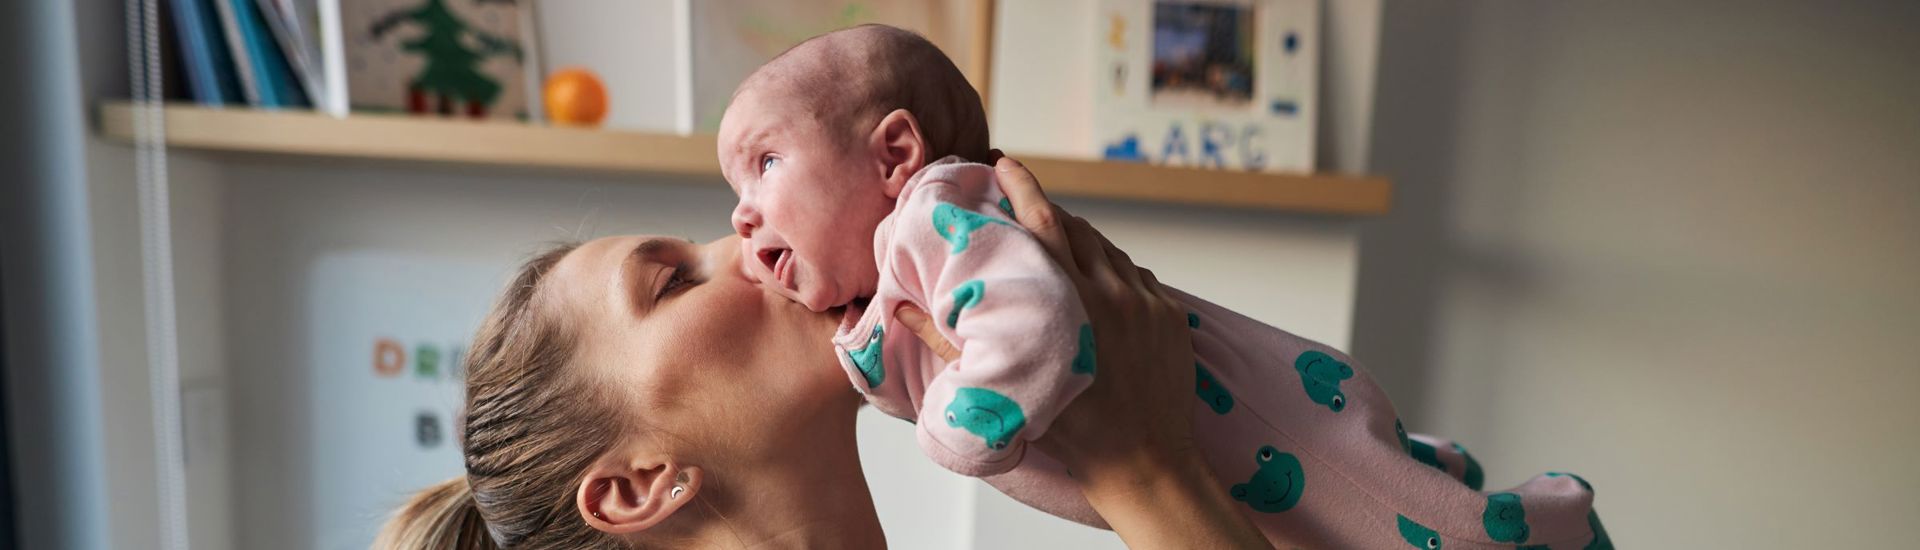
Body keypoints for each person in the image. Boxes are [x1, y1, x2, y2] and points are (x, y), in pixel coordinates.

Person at [718, 25, 1605, 548]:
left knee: (1411, 525)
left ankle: (1548, 519)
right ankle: (1452, 473)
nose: (740, 219)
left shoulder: (938, 213)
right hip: (1240, 459)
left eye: (765, 166)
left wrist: (959, 430)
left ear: (896, 154)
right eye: (736, 192)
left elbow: (1031, 327)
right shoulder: (899, 269)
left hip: (1260, 416)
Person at [374, 156, 1280, 549]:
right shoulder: (1126, 462)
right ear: (638, 485)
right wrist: (1147, 470)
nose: (742, 234)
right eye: (675, 281)